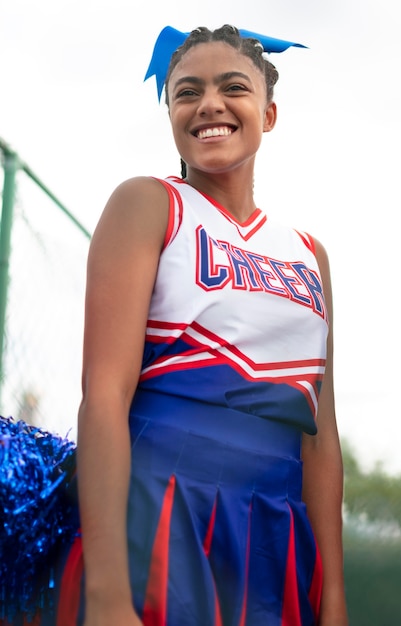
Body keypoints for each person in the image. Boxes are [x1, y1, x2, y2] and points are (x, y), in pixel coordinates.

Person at [1, 24, 348, 626]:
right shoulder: (149, 203)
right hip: (158, 515)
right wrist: (109, 594)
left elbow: (321, 437)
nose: (209, 103)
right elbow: (105, 395)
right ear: (170, 114)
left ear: (268, 114)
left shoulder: (308, 252)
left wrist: (334, 597)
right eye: (187, 92)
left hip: (275, 532)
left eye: (232, 87)